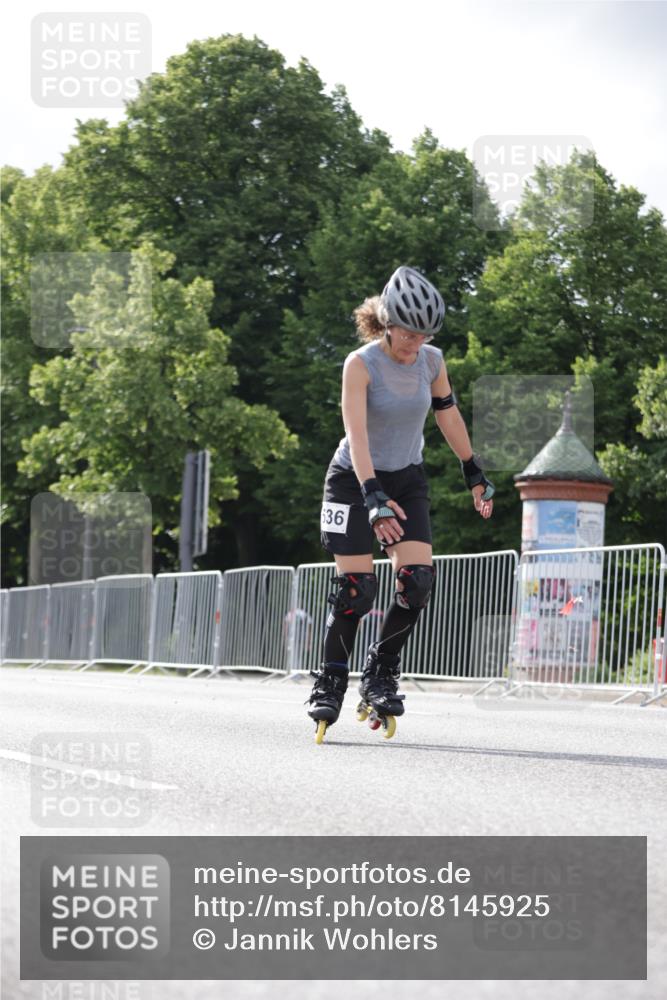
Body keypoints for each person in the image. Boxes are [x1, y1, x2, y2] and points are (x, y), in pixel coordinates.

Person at [307, 265, 495, 742]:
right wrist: (372, 496)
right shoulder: (361, 363)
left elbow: (447, 414)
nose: (416, 342)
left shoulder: (432, 361)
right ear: (388, 322)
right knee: (356, 589)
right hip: (353, 479)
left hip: (407, 477)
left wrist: (472, 469)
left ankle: (380, 672)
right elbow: (358, 433)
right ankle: (330, 679)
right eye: (409, 332)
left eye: (425, 333)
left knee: (417, 584)